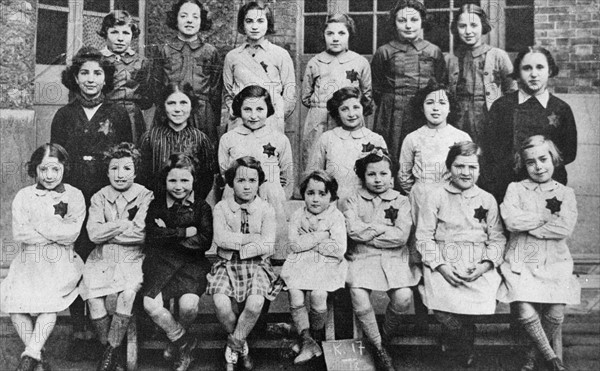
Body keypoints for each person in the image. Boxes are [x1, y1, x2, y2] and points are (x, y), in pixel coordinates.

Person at [51, 46, 132, 361]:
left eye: (97, 72)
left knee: (105, 260)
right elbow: (56, 162)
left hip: (105, 198)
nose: (90, 79)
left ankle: (110, 334)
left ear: (106, 78)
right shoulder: (63, 115)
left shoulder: (117, 114)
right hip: (72, 198)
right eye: (84, 72)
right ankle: (79, 328)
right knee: (74, 260)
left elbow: (126, 159)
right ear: (74, 76)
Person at [415, 141, 505, 367]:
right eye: (459, 166)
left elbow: (497, 238)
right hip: (444, 260)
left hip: (477, 262)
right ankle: (462, 341)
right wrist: (442, 266)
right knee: (441, 304)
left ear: (479, 170)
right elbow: (424, 237)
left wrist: (484, 266)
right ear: (449, 167)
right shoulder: (436, 196)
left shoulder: (487, 199)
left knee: (478, 301)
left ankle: (458, 343)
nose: (466, 173)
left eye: (472, 167)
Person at [498, 135, 580, 371]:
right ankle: (552, 359)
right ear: (523, 165)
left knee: (556, 309)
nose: (538, 166)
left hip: (554, 259)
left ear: (553, 159)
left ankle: (533, 355)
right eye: (531, 162)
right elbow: (512, 221)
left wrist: (530, 225)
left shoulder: (565, 193)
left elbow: (564, 227)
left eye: (543, 159)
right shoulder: (515, 189)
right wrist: (545, 218)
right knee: (523, 306)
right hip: (522, 258)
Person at [1, 144, 85, 371]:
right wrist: (54, 231)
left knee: (49, 305)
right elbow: (21, 233)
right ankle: (36, 357)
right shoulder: (24, 196)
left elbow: (71, 234)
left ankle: (29, 357)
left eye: (55, 170)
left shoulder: (74, 196)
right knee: (14, 305)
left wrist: (39, 227)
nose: (49, 176)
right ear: (34, 169)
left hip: (61, 261)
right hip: (28, 260)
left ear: (64, 169)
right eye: (43, 169)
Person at [342, 148, 419, 371]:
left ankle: (383, 338)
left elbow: (401, 237)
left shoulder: (402, 201)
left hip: (394, 259)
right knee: (358, 293)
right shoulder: (353, 200)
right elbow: (352, 231)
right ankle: (379, 348)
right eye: (371, 174)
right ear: (363, 177)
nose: (377, 180)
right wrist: (382, 229)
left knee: (403, 297)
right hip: (362, 258)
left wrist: (369, 232)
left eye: (383, 174)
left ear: (392, 177)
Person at [79, 142, 153, 371]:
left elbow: (141, 234)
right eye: (114, 169)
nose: (120, 175)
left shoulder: (145, 195)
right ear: (107, 171)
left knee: (128, 293)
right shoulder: (99, 197)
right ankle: (111, 350)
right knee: (93, 299)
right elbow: (93, 233)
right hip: (101, 256)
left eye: (126, 168)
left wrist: (109, 230)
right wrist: (122, 224)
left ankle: (110, 354)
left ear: (136, 171)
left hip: (132, 256)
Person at [206, 156, 283, 371]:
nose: (247, 186)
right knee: (221, 303)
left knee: (255, 303)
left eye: (252, 180)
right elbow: (221, 240)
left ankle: (233, 347)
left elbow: (267, 245)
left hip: (258, 265)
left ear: (259, 182)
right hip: (226, 263)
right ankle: (243, 346)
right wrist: (252, 239)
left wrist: (238, 242)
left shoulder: (266, 209)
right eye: (241, 180)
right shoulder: (222, 208)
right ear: (231, 183)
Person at [141, 153, 213, 371]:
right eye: (173, 180)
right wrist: (184, 231)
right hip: (161, 264)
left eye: (185, 180)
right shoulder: (157, 206)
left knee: (188, 306)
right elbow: (153, 235)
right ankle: (182, 342)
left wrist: (169, 235)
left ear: (194, 181)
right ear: (165, 181)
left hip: (192, 266)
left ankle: (176, 344)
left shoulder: (202, 208)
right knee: (150, 304)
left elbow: (204, 240)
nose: (179, 186)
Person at [481, 46, 577, 203]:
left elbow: (569, 152)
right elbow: (489, 148)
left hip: (548, 186)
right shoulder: (502, 106)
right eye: (527, 68)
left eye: (540, 67)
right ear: (518, 73)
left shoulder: (561, 109)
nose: (534, 74)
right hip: (506, 187)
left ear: (550, 71)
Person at [218, 85, 293, 260]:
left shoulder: (279, 139)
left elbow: (287, 174)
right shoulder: (229, 138)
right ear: (239, 110)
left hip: (270, 199)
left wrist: (277, 196)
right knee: (238, 251)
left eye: (259, 109)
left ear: (268, 110)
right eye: (247, 109)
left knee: (272, 251)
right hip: (237, 199)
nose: (253, 115)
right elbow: (224, 172)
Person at [280, 170, 347, 364]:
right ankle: (307, 340)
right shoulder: (297, 215)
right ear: (304, 194)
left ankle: (312, 336)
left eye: (322, 194)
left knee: (319, 295)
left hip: (327, 265)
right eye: (310, 193)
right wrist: (322, 236)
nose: (315, 199)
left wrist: (308, 240)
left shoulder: (336, 217)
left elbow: (338, 249)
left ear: (331, 196)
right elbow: (294, 245)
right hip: (300, 264)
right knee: (295, 293)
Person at [371, 0, 447, 166]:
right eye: (402, 21)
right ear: (394, 23)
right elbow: (376, 88)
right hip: (391, 113)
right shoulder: (384, 52)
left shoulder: (433, 51)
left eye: (414, 20)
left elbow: (441, 83)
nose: (408, 26)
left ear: (422, 22)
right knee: (391, 155)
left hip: (423, 111)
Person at [300, 13, 372, 173]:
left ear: (349, 35)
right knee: (315, 157)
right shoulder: (315, 62)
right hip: (319, 119)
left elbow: (367, 96)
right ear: (323, 35)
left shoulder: (360, 62)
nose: (335, 38)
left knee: (348, 158)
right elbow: (305, 97)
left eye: (341, 33)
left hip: (349, 117)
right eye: (330, 33)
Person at [152, 0, 222, 141]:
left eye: (195, 17)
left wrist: (212, 119)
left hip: (202, 115)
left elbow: (215, 91)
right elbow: (157, 87)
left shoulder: (210, 51)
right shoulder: (164, 50)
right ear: (175, 19)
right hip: (171, 112)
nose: (189, 20)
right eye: (184, 16)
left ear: (201, 21)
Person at [446, 3, 516, 144]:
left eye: (474, 25)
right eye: (462, 26)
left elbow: (512, 92)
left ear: (482, 26)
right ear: (456, 28)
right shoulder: (450, 59)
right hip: (458, 117)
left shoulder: (498, 56)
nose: (468, 31)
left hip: (488, 116)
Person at [399, 80, 471, 216]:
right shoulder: (412, 138)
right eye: (430, 103)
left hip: (452, 197)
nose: (435, 108)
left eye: (442, 103)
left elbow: (469, 172)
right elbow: (404, 175)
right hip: (421, 199)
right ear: (421, 107)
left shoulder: (462, 137)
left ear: (450, 108)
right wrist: (419, 192)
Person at [223, 0, 296, 132]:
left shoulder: (280, 54)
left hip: (271, 122)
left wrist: (277, 116)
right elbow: (228, 92)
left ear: (268, 23)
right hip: (240, 123)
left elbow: (290, 93)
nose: (254, 26)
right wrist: (235, 112)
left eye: (260, 21)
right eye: (249, 21)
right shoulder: (232, 56)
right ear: (242, 24)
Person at [138, 82, 217, 200]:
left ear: (192, 106)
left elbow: (206, 180)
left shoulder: (201, 139)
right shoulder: (149, 138)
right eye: (171, 103)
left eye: (183, 103)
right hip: (156, 206)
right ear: (163, 106)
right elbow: (142, 178)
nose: (177, 109)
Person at [308, 86, 387, 203]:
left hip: (365, 203)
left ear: (363, 108)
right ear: (337, 112)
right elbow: (314, 174)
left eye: (356, 107)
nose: (351, 114)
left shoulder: (375, 139)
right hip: (333, 203)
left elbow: (385, 176)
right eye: (344, 109)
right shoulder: (327, 138)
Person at [98, 10, 153, 142]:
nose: (120, 38)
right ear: (105, 33)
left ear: (133, 35)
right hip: (104, 114)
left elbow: (147, 98)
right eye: (114, 32)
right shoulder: (96, 59)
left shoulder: (141, 62)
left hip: (132, 117)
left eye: (126, 33)